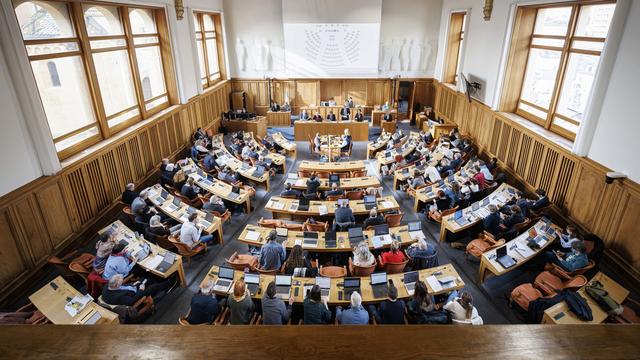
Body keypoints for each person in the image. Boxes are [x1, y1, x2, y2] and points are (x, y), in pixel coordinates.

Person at [102, 274, 172, 307]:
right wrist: (141, 290)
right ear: (117, 285)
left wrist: (133, 285)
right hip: (137, 295)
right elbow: (132, 300)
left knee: (144, 278)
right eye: (121, 281)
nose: (122, 281)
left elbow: (123, 286)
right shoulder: (119, 296)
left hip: (132, 289)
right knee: (154, 287)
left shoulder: (108, 284)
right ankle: (170, 282)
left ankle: (161, 281)